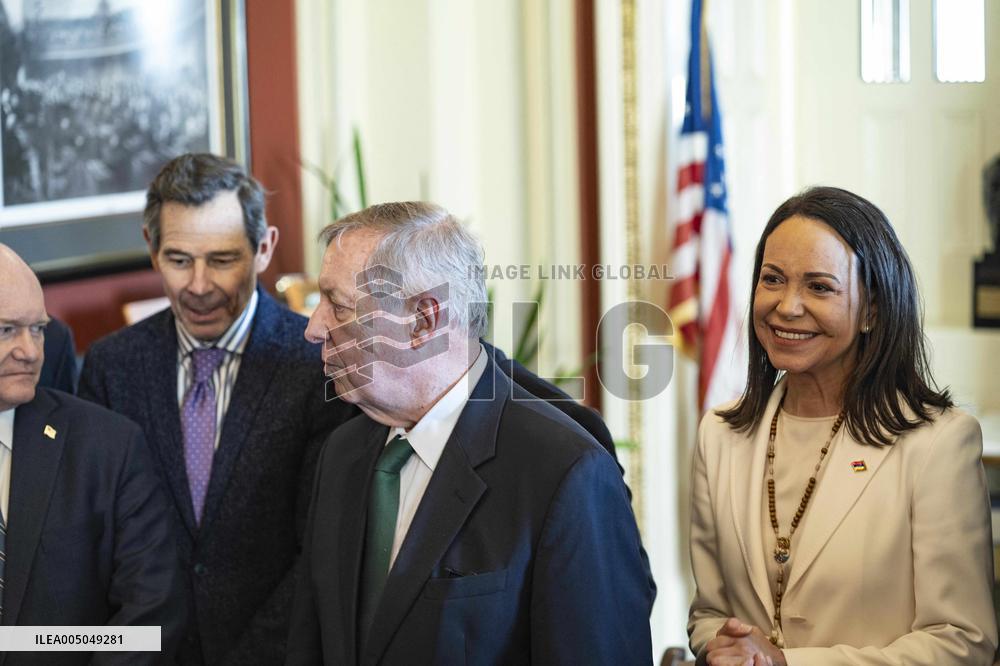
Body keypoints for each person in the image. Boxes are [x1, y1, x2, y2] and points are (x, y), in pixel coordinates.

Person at [286, 202, 655, 665]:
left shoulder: (564, 470)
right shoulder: (342, 453)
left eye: (337, 305)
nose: (314, 328)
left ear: (422, 321)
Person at [688, 186, 997, 665]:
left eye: (819, 286)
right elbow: (709, 613)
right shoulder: (719, 434)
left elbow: (962, 641)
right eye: (773, 279)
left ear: (873, 309)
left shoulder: (938, 443)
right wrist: (722, 645)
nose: (787, 306)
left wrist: (789, 662)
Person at [78, 154, 357, 666]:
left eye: (223, 260)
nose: (199, 285)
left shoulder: (318, 366)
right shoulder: (110, 366)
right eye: (179, 260)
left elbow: (320, 549)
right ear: (151, 247)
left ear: (264, 248)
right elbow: (98, 540)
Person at [0, 244, 185, 665]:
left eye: (39, 329)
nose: (30, 352)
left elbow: (148, 620)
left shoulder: (106, 447)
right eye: (6, 330)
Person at [39, 316, 78, 393]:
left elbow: (65, 400)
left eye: (36, 329)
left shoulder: (57, 334)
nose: (31, 355)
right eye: (7, 329)